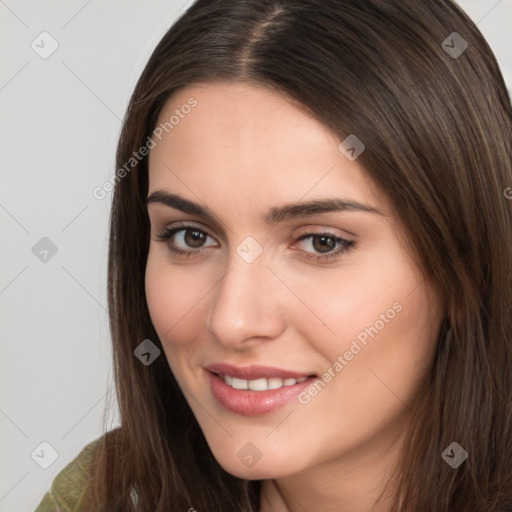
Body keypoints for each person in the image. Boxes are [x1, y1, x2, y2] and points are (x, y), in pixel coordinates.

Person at [35, 0, 512, 510]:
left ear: (466, 270)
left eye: (321, 242)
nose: (232, 321)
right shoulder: (105, 495)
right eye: (191, 237)